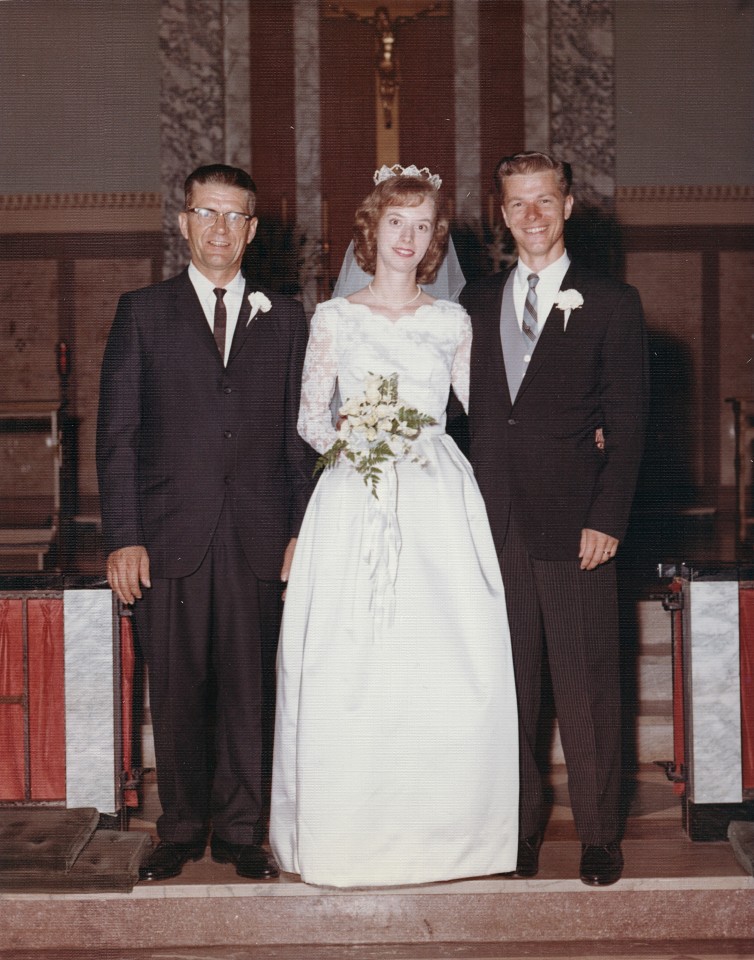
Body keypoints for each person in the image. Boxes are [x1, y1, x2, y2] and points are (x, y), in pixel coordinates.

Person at [269, 164, 519, 888]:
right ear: (371, 230)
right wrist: (359, 440)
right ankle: (347, 831)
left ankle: (449, 836)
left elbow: (485, 414)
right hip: (357, 493)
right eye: (395, 223)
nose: (407, 238)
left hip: (438, 495)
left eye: (422, 226)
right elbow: (310, 419)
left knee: (444, 658)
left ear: (435, 239)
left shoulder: (451, 321)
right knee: (352, 656)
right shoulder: (334, 318)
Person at [96, 163, 315, 882]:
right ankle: (182, 827)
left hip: (259, 535)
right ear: (184, 222)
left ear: (252, 230)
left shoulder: (287, 318)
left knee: (250, 689)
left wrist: (299, 530)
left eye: (234, 216)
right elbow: (118, 435)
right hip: (168, 536)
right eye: (207, 213)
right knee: (178, 689)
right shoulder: (143, 312)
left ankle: (244, 832)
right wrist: (124, 536)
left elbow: (299, 438)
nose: (220, 228)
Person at [460, 151, 649, 886]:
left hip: (577, 528)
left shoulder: (612, 301)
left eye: (544, 200)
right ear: (502, 214)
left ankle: (599, 835)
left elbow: (628, 424)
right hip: (492, 524)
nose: (532, 215)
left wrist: (609, 516)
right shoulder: (475, 301)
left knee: (586, 687)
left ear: (568, 205)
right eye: (517, 203)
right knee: (509, 692)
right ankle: (517, 832)